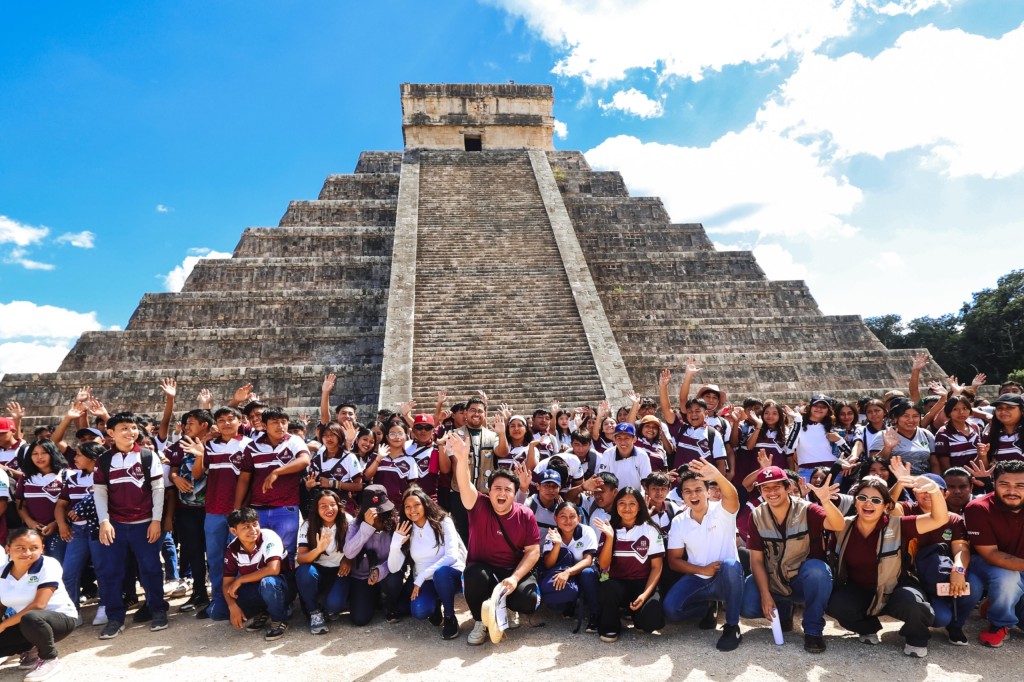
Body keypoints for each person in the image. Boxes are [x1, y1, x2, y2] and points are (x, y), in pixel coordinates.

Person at [825, 473, 949, 657]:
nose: (868, 504)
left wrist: (933, 489)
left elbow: (939, 519)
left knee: (916, 605)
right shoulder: (843, 526)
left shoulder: (899, 525)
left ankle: (916, 638)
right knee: (834, 603)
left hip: (895, 588)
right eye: (862, 498)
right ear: (855, 502)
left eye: (876, 500)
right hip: (860, 589)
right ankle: (867, 627)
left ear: (886, 505)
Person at [447, 431, 540, 645]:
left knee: (528, 600)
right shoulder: (478, 505)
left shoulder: (525, 514)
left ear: (515, 494)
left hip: (511, 570)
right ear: (489, 491)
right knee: (473, 575)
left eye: (508, 489)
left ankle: (504, 606)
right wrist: (462, 459)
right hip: (483, 571)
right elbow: (464, 484)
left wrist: (515, 578)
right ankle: (480, 620)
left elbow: (533, 552)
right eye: (497, 488)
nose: (502, 493)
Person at [740, 466, 841, 653]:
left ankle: (813, 630)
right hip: (774, 581)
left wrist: (826, 501)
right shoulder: (757, 515)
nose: (771, 492)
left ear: (787, 487)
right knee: (747, 606)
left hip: (801, 581)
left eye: (776, 486)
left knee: (818, 571)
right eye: (765, 488)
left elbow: (838, 524)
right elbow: (756, 560)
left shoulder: (807, 509)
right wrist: (765, 594)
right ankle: (784, 610)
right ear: (760, 491)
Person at [93, 412, 169, 639]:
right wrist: (104, 521)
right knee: (112, 572)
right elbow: (100, 492)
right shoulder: (104, 460)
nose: (130, 432)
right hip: (115, 525)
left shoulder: (148, 456)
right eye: (124, 428)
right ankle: (115, 617)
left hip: (144, 524)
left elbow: (158, 490)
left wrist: (156, 520)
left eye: (133, 427)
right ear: (111, 433)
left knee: (151, 569)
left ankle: (158, 610)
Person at [662, 458, 744, 651]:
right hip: (698, 578)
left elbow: (733, 495)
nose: (693, 495)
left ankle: (732, 626)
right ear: (682, 496)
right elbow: (674, 561)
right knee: (671, 610)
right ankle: (707, 607)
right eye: (687, 491)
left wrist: (716, 475)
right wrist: (702, 570)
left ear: (708, 492)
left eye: (698, 489)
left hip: (725, 578)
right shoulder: (679, 521)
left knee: (732, 565)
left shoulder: (723, 510)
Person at [0, 528, 79, 681]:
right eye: (20, 548)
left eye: (34, 548)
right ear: (8, 549)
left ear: (42, 548)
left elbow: (39, 605)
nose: (27, 552)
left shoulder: (49, 565)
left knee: (32, 617)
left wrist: (3, 626)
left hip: (60, 620)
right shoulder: (2, 572)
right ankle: (31, 649)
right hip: (24, 623)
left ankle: (49, 659)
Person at [387, 486, 465, 640]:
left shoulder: (443, 521)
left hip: (450, 574)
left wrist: (421, 576)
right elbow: (393, 567)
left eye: (417, 505)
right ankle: (435, 604)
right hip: (425, 581)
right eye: (407, 507)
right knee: (419, 611)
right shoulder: (406, 529)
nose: (412, 510)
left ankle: (450, 617)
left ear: (425, 504)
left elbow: (452, 556)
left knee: (440, 573)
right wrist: (395, 543)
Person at [235, 406, 311, 564]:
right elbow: (244, 479)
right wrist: (237, 508)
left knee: (286, 552)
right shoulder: (252, 447)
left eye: (284, 422)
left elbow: (304, 460)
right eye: (275, 422)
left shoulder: (294, 441)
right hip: (257, 509)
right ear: (264, 425)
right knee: (257, 552)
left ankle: (285, 588)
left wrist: (277, 472)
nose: (280, 426)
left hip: (286, 508)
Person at [196, 406, 251, 620]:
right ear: (216, 424)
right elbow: (198, 473)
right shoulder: (209, 445)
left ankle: (243, 603)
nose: (226, 423)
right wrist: (201, 449)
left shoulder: (248, 445)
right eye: (221, 420)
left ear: (240, 421)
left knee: (242, 559)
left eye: (231, 419)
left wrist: (243, 509)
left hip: (240, 513)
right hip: (214, 511)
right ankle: (219, 603)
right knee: (216, 559)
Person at [593, 487, 665, 643]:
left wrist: (644, 595)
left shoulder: (651, 530)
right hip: (618, 583)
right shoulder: (608, 528)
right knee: (607, 588)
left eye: (632, 503)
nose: (627, 508)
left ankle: (635, 614)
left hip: (642, 583)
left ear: (639, 506)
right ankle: (610, 626)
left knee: (651, 623)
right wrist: (610, 537)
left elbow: (656, 567)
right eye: (622, 503)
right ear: (615, 506)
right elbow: (604, 565)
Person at [964, 459, 1024, 647]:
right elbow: (991, 554)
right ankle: (1000, 623)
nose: (1012, 491)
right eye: (1004, 484)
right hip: (985, 563)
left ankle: (995, 603)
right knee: (1007, 577)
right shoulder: (978, 508)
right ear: (994, 482)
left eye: (1020, 485)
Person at [437, 397, 504, 545]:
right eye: (472, 410)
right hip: (459, 493)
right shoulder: (453, 435)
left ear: (485, 414)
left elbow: (502, 452)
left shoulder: (492, 436)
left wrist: (502, 434)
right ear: (466, 413)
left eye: (480, 411)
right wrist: (441, 447)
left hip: (484, 493)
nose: (476, 413)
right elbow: (446, 469)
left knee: (485, 533)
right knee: (461, 535)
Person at [222, 506, 292, 642]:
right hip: (257, 588)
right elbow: (227, 583)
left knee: (268, 583)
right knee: (222, 610)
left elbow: (273, 569)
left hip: (283, 586)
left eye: (255, 524)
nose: (253, 530)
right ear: (234, 531)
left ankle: (279, 620)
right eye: (246, 527)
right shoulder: (232, 548)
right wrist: (232, 606)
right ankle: (263, 611)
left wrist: (240, 579)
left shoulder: (268, 536)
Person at [54, 441, 105, 622]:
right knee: (69, 571)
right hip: (77, 531)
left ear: (92, 457)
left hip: (100, 530)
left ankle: (105, 606)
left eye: (78, 455)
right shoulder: (73, 478)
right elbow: (61, 505)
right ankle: (72, 610)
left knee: (102, 569)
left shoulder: (104, 475)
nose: (74, 458)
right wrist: (62, 525)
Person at [342, 484, 404, 626]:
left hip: (387, 572)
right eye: (374, 512)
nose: (378, 516)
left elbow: (399, 558)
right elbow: (349, 553)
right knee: (360, 619)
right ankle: (374, 597)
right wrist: (367, 527)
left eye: (382, 511)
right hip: (362, 576)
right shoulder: (355, 524)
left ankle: (390, 604)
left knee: (395, 577)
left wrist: (380, 571)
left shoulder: (395, 524)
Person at [295, 489, 350, 635]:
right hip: (317, 569)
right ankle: (315, 613)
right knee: (303, 572)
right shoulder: (308, 525)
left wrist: (348, 559)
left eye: (332, 504)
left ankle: (328, 606)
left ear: (338, 505)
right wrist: (318, 549)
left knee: (334, 605)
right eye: (323, 506)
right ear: (316, 508)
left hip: (339, 570)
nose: (329, 509)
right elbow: (300, 559)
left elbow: (358, 547)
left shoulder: (348, 520)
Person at [539, 501, 599, 633]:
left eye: (572, 516)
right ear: (555, 518)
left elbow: (588, 560)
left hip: (582, 572)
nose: (568, 520)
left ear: (579, 518)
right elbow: (549, 564)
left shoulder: (587, 531)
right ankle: (570, 603)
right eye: (563, 516)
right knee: (555, 604)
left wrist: (568, 572)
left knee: (587, 573)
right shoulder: (552, 534)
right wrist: (557, 544)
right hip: (563, 573)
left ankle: (595, 614)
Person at [15, 440, 69, 561]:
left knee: (59, 569)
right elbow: (20, 504)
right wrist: (30, 522)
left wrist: (57, 524)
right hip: (33, 533)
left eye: (44, 452)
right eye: (34, 453)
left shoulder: (66, 475)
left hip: (61, 532)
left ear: (53, 453)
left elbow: (71, 505)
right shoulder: (26, 477)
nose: (39, 457)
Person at [878, 401, 936, 476]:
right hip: (896, 483)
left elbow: (935, 464)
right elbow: (874, 463)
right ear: (896, 417)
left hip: (924, 483)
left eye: (915, 416)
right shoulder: (884, 435)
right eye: (905, 416)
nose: (911, 420)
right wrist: (887, 448)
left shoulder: (926, 434)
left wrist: (936, 480)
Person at [594, 423, 652, 491]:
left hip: (635, 496)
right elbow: (603, 478)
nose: (623, 442)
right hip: (614, 496)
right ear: (614, 439)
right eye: (619, 438)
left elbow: (646, 480)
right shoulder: (608, 454)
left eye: (627, 438)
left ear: (634, 439)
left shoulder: (642, 455)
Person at [935, 395, 984, 471]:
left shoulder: (975, 427)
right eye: (955, 409)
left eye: (964, 408)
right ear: (948, 413)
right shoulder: (943, 433)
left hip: (977, 475)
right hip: (957, 479)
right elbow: (945, 466)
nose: (961, 412)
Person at [984, 394, 1023, 463]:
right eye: (1000, 408)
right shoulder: (989, 436)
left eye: (1010, 407)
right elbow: (984, 466)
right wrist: (982, 455)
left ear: (1022, 411)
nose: (1003, 412)